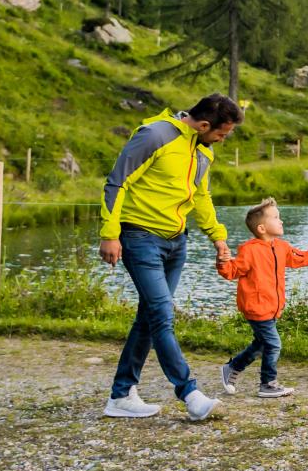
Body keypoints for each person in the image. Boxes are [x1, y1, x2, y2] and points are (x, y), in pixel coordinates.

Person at [99, 93, 241, 421]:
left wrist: (218, 237)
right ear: (204, 124)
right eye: (221, 133)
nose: (222, 139)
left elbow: (201, 196)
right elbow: (117, 182)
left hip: (177, 243)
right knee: (162, 315)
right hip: (139, 237)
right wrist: (109, 233)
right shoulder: (155, 135)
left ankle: (121, 395)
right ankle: (190, 394)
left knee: (149, 317)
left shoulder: (202, 150)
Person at [216, 198, 308, 398]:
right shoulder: (249, 250)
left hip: (272, 307)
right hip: (256, 307)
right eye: (276, 217)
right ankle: (268, 383)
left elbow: (302, 258)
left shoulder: (282, 247)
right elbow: (232, 271)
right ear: (262, 228)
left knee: (261, 344)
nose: (281, 221)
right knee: (273, 344)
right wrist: (222, 262)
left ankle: (233, 367)